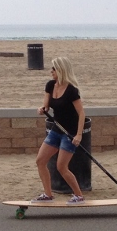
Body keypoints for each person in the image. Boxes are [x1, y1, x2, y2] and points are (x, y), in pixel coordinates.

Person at [33, 56, 87, 203]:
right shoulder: (50, 85)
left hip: (69, 134)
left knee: (61, 167)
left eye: (54, 69)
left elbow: (81, 113)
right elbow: (46, 107)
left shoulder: (71, 91)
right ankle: (48, 194)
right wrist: (41, 109)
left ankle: (79, 195)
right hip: (56, 130)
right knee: (40, 161)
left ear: (61, 70)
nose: (51, 71)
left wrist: (79, 135)